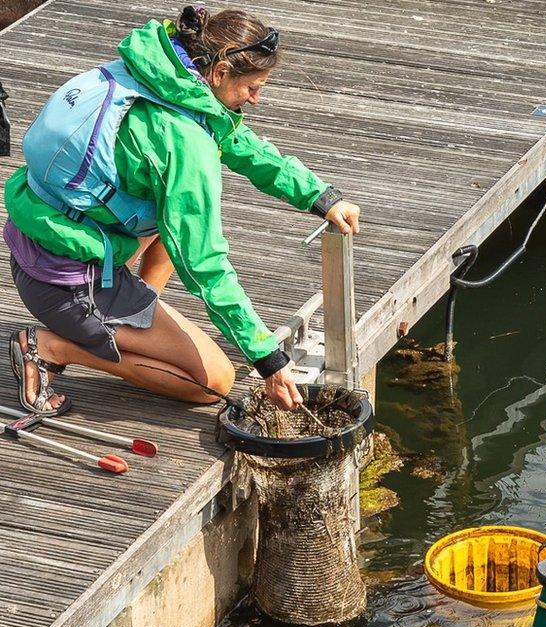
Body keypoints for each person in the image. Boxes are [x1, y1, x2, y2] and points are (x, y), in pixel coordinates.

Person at [3, 6, 360, 415]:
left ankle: (134, 317)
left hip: (46, 241)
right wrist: (267, 359)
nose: (257, 100)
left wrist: (320, 197)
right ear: (221, 71)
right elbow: (204, 265)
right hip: (67, 284)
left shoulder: (161, 74)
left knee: (166, 214)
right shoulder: (183, 143)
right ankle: (52, 347)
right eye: (253, 87)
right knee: (212, 382)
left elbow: (237, 142)